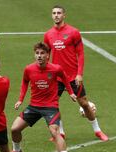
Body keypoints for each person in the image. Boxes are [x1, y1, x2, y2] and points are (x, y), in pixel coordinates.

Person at [44, 5, 108, 141]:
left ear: (64, 15)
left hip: (73, 76)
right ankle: (60, 132)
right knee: (52, 105)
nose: (56, 15)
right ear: (52, 15)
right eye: (54, 13)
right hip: (56, 77)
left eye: (59, 13)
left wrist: (80, 74)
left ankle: (97, 131)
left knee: (84, 103)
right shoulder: (48, 34)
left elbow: (81, 54)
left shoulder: (73, 32)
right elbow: (46, 55)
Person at [11, 42, 77, 152]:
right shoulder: (29, 69)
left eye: (42, 53)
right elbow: (24, 83)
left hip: (50, 107)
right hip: (34, 106)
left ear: (48, 55)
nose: (39, 56)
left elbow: (65, 79)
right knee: (14, 129)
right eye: (37, 53)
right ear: (34, 55)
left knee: (55, 132)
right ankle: (17, 150)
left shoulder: (56, 68)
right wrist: (20, 100)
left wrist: (71, 93)